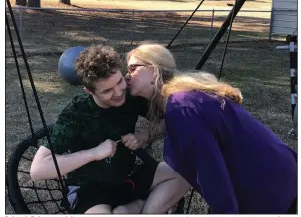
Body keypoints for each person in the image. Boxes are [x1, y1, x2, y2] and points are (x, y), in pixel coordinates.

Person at [126, 43, 297, 214]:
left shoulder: (181, 108)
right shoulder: (183, 98)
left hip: (267, 187)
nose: (127, 76)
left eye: (133, 68)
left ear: (154, 70)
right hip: (279, 173)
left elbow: (210, 172)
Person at [30, 44, 189, 214]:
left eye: (120, 81)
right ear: (89, 91)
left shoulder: (130, 95)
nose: (118, 93)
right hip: (89, 188)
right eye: (107, 91)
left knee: (184, 172)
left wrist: (145, 135)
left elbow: (170, 120)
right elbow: (38, 170)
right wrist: (94, 153)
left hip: (128, 177)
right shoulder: (76, 113)